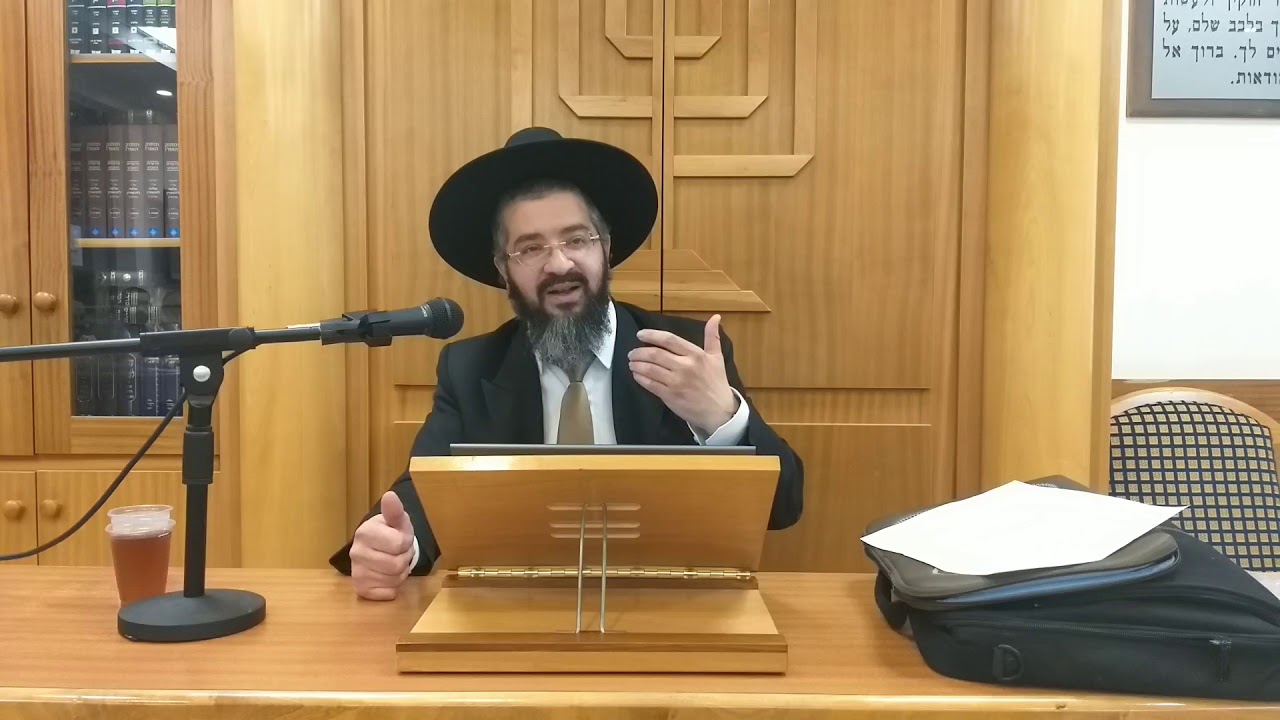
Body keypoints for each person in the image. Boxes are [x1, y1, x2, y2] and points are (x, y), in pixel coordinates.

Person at [329, 127, 804, 600]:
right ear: (503, 270)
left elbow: (783, 506)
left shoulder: (686, 351)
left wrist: (721, 418)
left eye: (577, 239)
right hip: (522, 608)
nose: (558, 265)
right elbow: (422, 491)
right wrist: (394, 547)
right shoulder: (471, 368)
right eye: (530, 248)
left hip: (669, 600)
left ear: (606, 249)